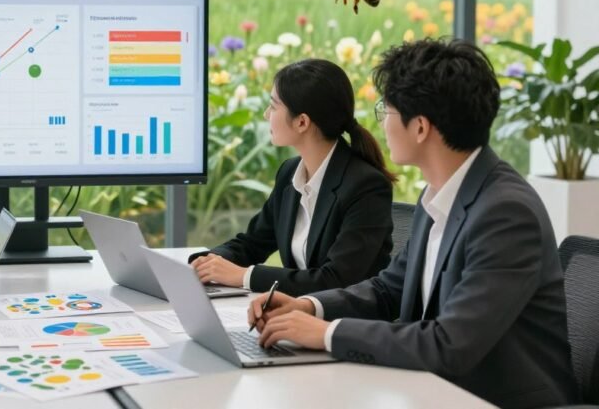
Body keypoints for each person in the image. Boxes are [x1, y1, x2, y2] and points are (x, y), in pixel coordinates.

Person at [250, 40, 578, 409]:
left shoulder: (506, 214)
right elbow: (389, 289)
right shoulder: (440, 191)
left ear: (420, 127)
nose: (381, 123)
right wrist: (310, 306)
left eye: (386, 110)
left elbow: (449, 344)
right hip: (432, 390)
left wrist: (327, 333)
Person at [190, 58, 395, 295]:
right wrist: (208, 262)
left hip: (345, 324)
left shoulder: (366, 186)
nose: (267, 114)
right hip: (296, 314)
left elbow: (335, 279)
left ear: (302, 122)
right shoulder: (290, 173)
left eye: (274, 106)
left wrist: (243, 276)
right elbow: (253, 242)